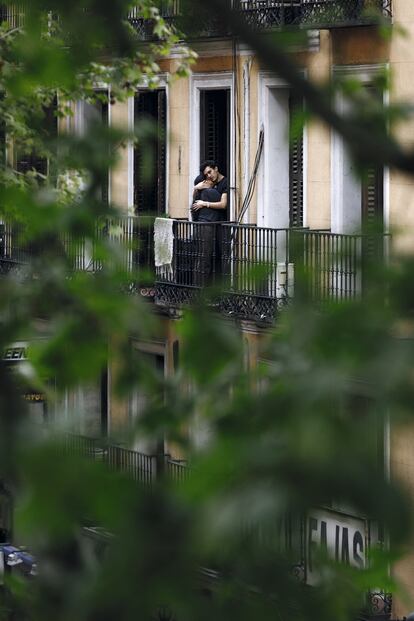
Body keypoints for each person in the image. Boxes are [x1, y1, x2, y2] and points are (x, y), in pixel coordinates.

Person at [190, 160, 228, 285]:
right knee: (204, 259)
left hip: (217, 226)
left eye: (210, 172)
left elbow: (223, 204)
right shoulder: (208, 188)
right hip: (206, 225)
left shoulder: (224, 183)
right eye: (206, 175)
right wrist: (196, 188)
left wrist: (204, 203)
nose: (209, 176)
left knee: (210, 259)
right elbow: (194, 203)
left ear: (216, 168)